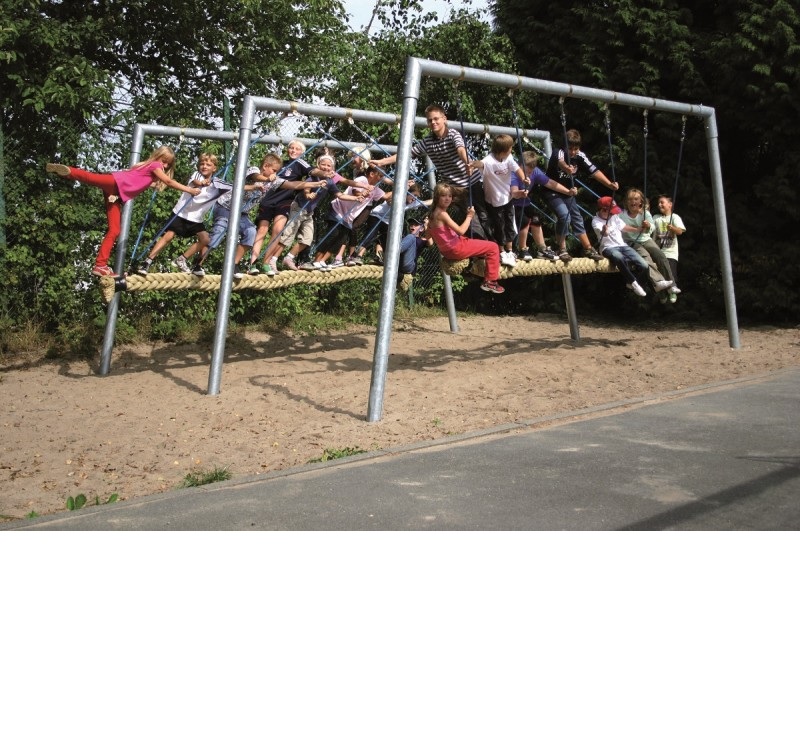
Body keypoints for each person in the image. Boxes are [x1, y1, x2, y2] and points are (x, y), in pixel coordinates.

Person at [45, 146, 201, 276]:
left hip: (115, 194)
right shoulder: (155, 165)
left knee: (115, 230)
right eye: (164, 161)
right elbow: (167, 180)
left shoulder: (148, 169)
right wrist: (189, 190)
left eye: (168, 164)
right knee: (90, 177)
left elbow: (147, 181)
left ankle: (100, 265)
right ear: (158, 157)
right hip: (116, 183)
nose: (165, 166)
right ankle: (68, 171)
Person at [370, 103, 490, 239]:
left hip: (472, 182)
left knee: (484, 215)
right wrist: (381, 162)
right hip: (456, 188)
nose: (433, 122)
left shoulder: (452, 134)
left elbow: (461, 149)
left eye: (436, 119)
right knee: (471, 220)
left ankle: (497, 246)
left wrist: (468, 162)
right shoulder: (427, 142)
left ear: (444, 119)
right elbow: (406, 154)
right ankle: (483, 248)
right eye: (430, 120)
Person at [270, 154, 363, 273]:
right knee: (288, 235)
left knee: (307, 239)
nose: (326, 167)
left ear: (332, 168)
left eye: (329, 166)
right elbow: (306, 188)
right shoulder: (314, 177)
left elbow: (339, 195)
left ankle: (289, 257)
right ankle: (273, 259)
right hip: (299, 208)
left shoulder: (330, 182)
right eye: (323, 164)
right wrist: (308, 195)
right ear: (318, 165)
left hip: (309, 212)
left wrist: (355, 198)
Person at [135, 153, 224, 276]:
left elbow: (233, 187)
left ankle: (182, 259)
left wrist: (250, 187)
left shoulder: (217, 184)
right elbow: (196, 182)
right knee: (169, 236)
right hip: (181, 213)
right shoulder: (197, 174)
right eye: (202, 164)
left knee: (205, 239)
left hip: (196, 218)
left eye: (208, 165)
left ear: (214, 168)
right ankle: (147, 261)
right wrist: (202, 183)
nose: (204, 166)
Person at [247, 140, 326, 275]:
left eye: (297, 149)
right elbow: (264, 174)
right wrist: (270, 176)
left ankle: (266, 263)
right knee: (262, 230)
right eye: (291, 148)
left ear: (302, 152)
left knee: (278, 230)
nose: (293, 151)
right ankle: (252, 264)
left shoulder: (300, 163)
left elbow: (311, 171)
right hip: (268, 199)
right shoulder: (281, 164)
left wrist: (324, 175)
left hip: (284, 201)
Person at [544, 128, 618, 262]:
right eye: (570, 149)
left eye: (575, 149)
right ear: (565, 146)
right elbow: (560, 161)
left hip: (568, 193)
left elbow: (594, 171)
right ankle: (561, 248)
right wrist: (567, 168)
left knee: (577, 218)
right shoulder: (558, 152)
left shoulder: (580, 156)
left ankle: (588, 249)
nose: (573, 152)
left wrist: (609, 184)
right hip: (552, 192)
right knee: (564, 216)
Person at [427, 182, 504, 294]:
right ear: (437, 197)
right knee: (493, 247)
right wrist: (469, 216)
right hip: (456, 248)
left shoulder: (431, 214)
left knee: (469, 240)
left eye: (449, 196)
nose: (447, 199)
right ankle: (490, 281)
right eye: (443, 196)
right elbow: (461, 230)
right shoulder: (442, 214)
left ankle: (472, 267)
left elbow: (428, 236)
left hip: (446, 251)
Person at [468, 134, 529, 268]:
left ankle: (510, 251)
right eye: (510, 148)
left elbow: (517, 169)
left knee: (509, 224)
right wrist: (472, 164)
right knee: (499, 226)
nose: (511, 150)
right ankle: (501, 251)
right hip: (494, 201)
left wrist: (524, 178)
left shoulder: (508, 158)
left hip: (507, 198)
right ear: (503, 150)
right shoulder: (489, 161)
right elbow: (480, 163)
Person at [510, 149, 578, 261]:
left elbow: (550, 183)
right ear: (519, 165)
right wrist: (520, 193)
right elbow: (513, 192)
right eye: (526, 172)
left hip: (524, 202)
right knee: (524, 220)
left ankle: (542, 249)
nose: (528, 175)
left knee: (536, 219)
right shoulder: (513, 173)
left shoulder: (535, 172)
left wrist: (568, 192)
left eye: (530, 172)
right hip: (511, 204)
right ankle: (522, 248)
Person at [619, 187, 677, 298]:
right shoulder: (621, 215)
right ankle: (658, 281)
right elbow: (617, 226)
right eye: (630, 199)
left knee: (660, 255)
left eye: (636, 199)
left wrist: (648, 225)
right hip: (631, 241)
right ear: (626, 202)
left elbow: (652, 227)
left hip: (645, 239)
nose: (633, 202)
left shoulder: (645, 214)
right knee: (646, 257)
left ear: (641, 202)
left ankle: (672, 286)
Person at [591, 196, 649, 297]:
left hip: (622, 245)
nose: (613, 214)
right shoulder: (596, 221)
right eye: (611, 212)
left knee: (644, 265)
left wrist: (638, 229)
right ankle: (633, 283)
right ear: (603, 210)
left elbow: (623, 227)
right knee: (619, 257)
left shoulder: (614, 217)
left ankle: (633, 283)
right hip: (608, 248)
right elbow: (604, 234)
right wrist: (604, 230)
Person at [652, 194, 687, 303]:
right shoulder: (656, 217)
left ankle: (672, 290)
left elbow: (680, 231)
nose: (659, 205)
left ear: (670, 204)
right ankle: (662, 293)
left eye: (662, 202)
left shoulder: (674, 217)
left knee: (670, 272)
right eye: (658, 203)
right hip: (658, 250)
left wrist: (673, 228)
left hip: (670, 251)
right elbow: (650, 229)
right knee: (658, 273)